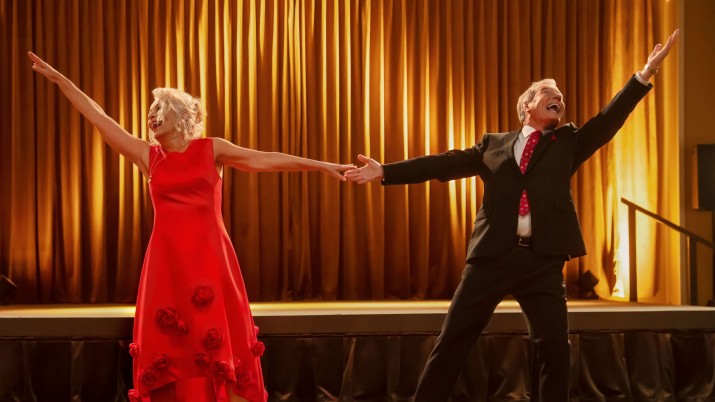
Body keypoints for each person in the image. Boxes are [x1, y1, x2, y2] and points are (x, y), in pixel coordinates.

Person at [345, 30, 679, 402]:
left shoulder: (568, 142)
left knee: (554, 347)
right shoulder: (492, 145)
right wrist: (385, 171)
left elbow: (607, 120)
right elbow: (442, 164)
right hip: (491, 257)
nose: (558, 97)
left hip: (542, 260)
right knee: (453, 339)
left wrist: (644, 75)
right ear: (527, 106)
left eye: (560, 96)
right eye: (549, 93)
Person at [28, 51, 354, 402]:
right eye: (150, 110)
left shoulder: (212, 149)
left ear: (179, 114)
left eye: (159, 108)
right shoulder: (148, 156)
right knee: (172, 343)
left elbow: (267, 160)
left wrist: (323, 166)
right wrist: (60, 80)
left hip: (210, 261)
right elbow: (98, 117)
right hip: (166, 264)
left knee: (216, 342)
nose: (151, 116)